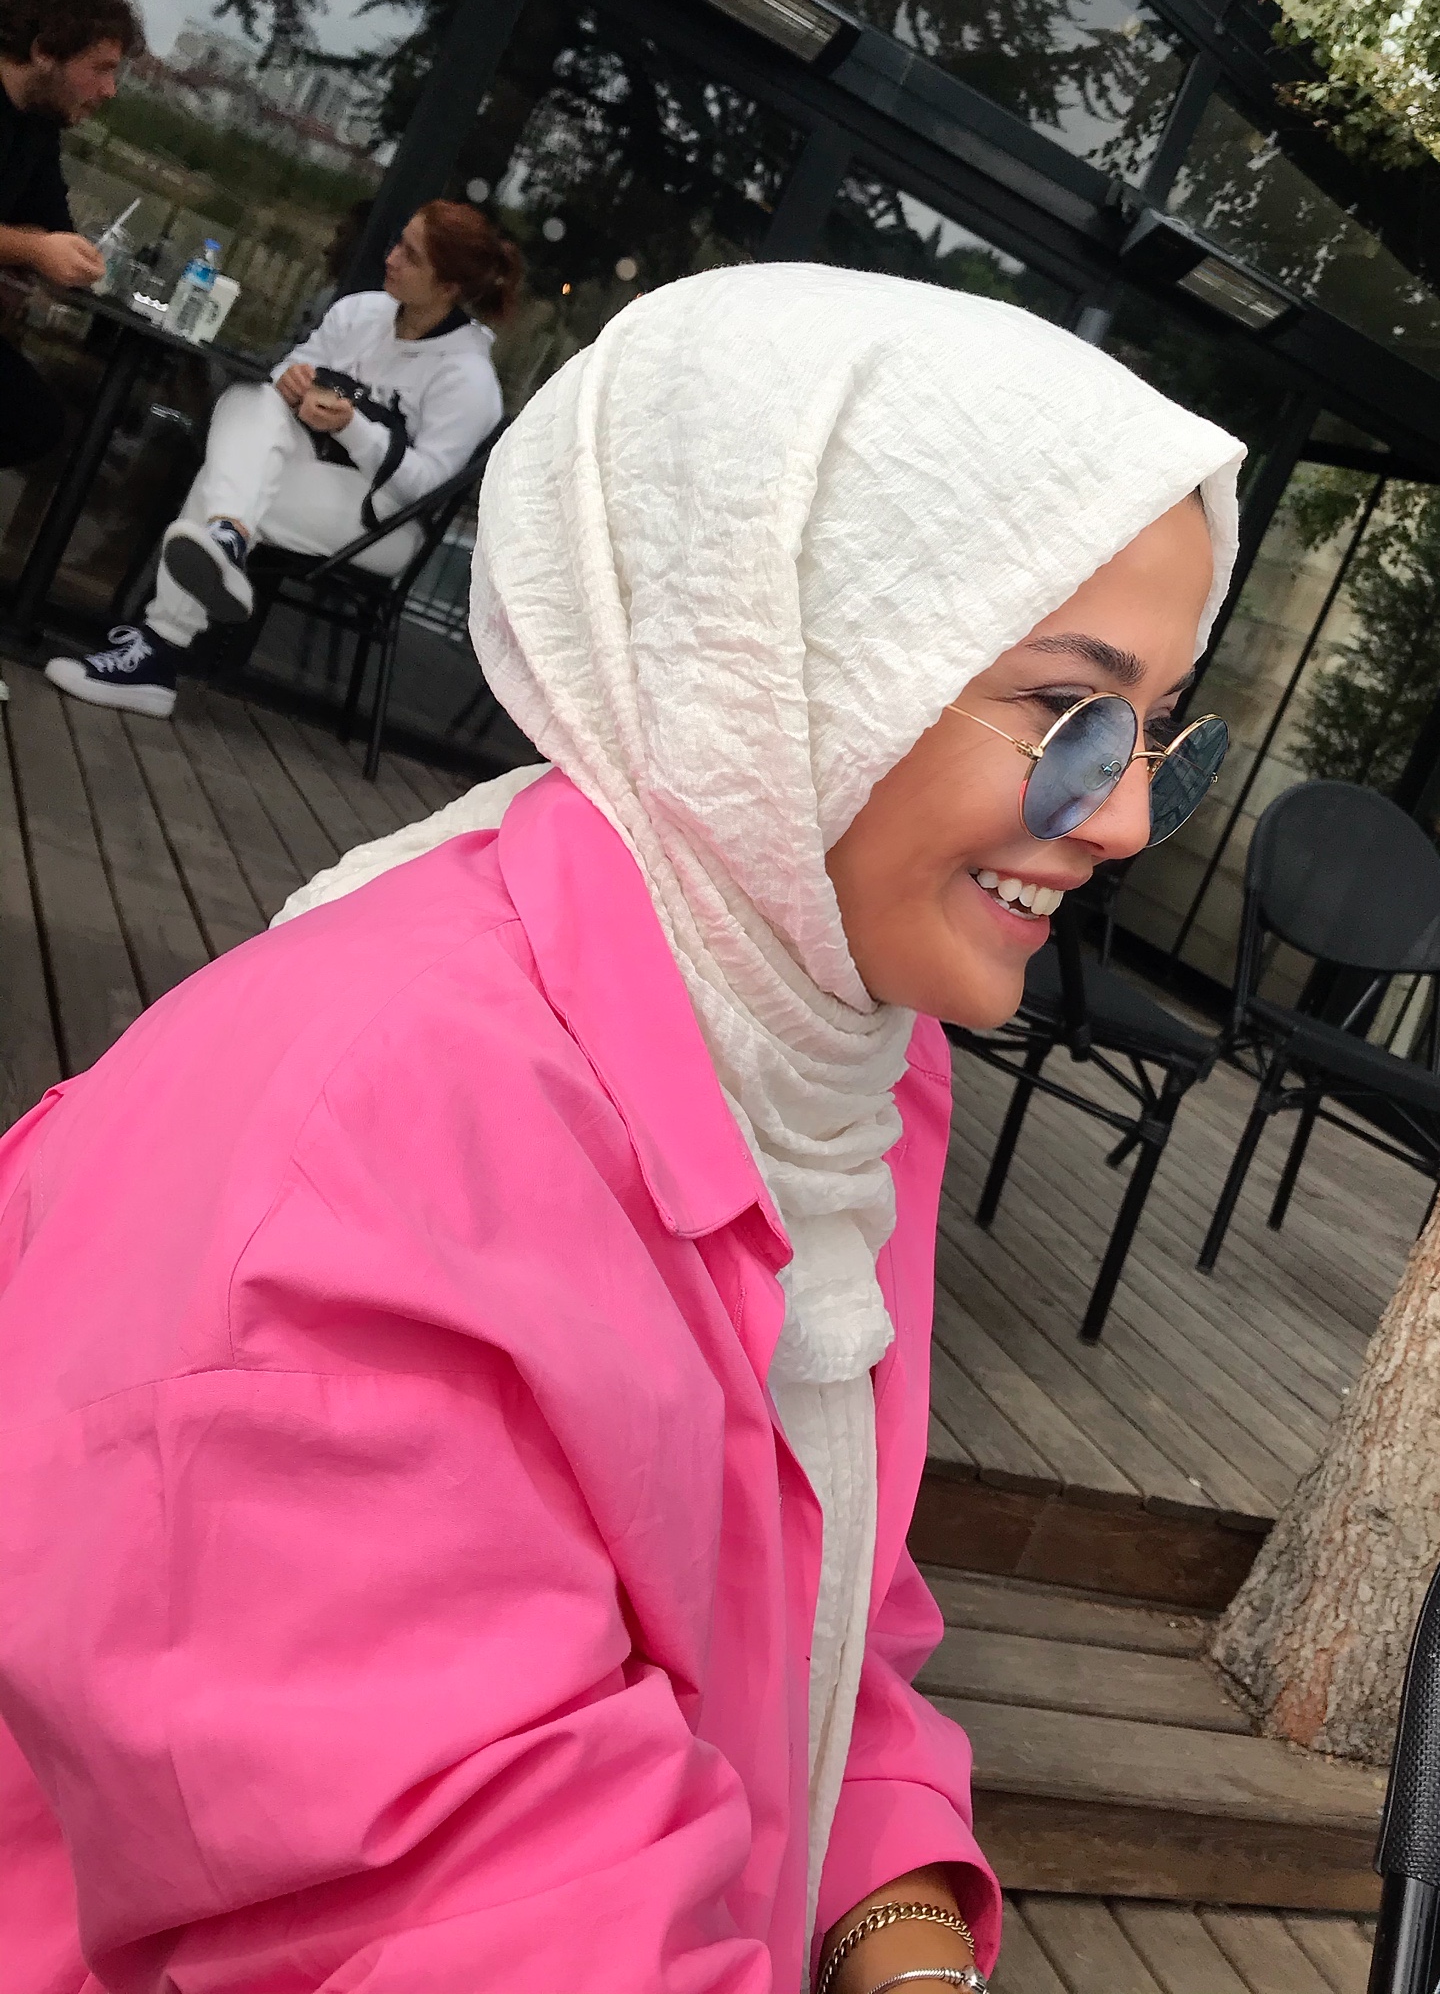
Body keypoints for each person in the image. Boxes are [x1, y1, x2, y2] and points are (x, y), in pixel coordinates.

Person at [0, 264, 1244, 1990]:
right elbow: (454, 1914)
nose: (1122, 820)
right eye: (1064, 712)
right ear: (778, 661)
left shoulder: (838, 1058)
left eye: (1160, 732)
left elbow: (815, 1584)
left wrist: (895, 1924)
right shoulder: (362, 1163)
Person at [46, 198, 516, 719]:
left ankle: (166, 638)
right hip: (308, 465)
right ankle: (220, 549)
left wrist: (353, 427)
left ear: (448, 287)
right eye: (398, 243)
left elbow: (423, 489)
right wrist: (290, 381)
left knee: (233, 485)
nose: (390, 258)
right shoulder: (361, 313)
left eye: (411, 255)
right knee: (249, 399)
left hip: (385, 521)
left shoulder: (468, 378)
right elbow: (286, 378)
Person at [0, 0, 144, 469]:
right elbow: (42, 243)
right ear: (44, 51)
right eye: (101, 68)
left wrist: (46, 249)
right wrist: (31, 249)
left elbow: (54, 228)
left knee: (35, 423)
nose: (110, 90)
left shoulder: (37, 125)